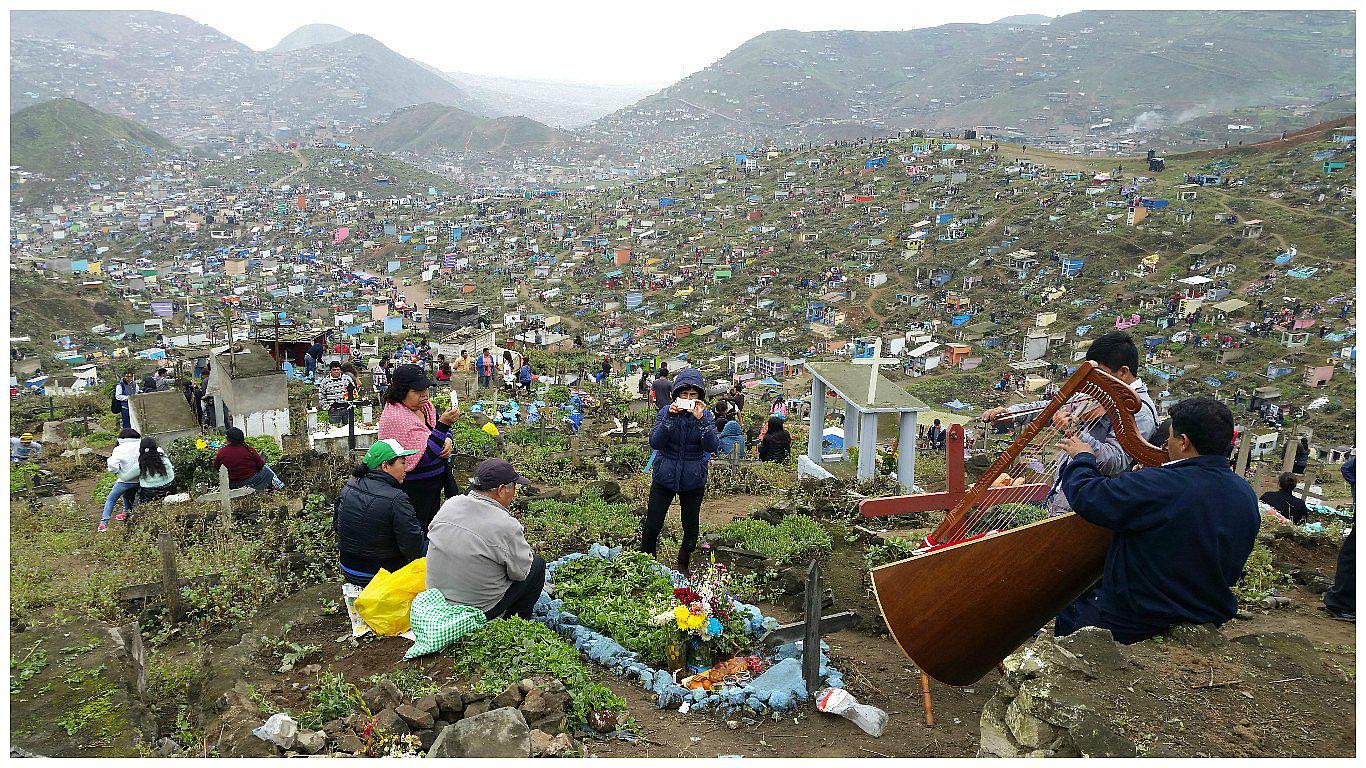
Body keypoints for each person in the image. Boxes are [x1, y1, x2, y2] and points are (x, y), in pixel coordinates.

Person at [1053, 397, 1259, 643]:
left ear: (1184, 442)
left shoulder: (1159, 485)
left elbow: (1088, 496)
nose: (1165, 444)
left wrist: (1083, 458)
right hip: (1205, 609)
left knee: (1070, 604)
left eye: (1170, 437)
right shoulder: (1244, 493)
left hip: (1138, 616)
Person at [979, 331, 1157, 516]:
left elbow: (1115, 461)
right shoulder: (1100, 394)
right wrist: (1012, 413)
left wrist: (1075, 432)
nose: (1093, 381)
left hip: (1086, 511)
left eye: (1100, 374)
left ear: (1123, 372)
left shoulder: (1139, 411)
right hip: (1062, 499)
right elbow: (1053, 407)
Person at [427, 458, 544, 620]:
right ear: (501, 490)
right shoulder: (506, 525)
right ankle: (516, 623)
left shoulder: (450, 504)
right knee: (536, 565)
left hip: (437, 599)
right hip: (475, 610)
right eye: (514, 487)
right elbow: (520, 573)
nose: (514, 493)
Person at [641, 368, 719, 573]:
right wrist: (669, 418)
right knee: (652, 524)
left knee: (691, 527)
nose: (688, 399)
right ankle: (647, 565)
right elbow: (655, 442)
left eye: (693, 395)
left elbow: (712, 446)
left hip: (693, 478)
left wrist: (702, 422)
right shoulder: (665, 412)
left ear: (700, 397)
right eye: (684, 394)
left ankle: (683, 564)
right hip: (664, 475)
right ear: (676, 395)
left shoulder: (706, 416)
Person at [377, 364, 462, 531]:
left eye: (425, 389)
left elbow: (439, 431)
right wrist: (443, 425)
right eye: (417, 391)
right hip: (414, 488)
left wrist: (448, 440)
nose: (424, 395)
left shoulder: (426, 408)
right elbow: (423, 456)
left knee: (432, 526)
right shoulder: (396, 417)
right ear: (402, 392)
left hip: (434, 484)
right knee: (416, 529)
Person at [334, 439, 427, 588]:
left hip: (347, 567)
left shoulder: (348, 487)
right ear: (385, 466)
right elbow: (413, 548)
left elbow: (337, 527)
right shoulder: (397, 499)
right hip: (378, 575)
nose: (407, 468)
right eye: (402, 463)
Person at [213, 427, 286, 492]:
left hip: (232, 484)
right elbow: (261, 465)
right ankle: (280, 487)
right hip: (251, 482)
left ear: (229, 440)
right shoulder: (249, 449)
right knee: (266, 470)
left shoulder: (222, 451)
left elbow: (216, 466)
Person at [99, 428, 141, 532]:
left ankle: (103, 523)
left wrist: (116, 471)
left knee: (111, 499)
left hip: (125, 481)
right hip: (140, 480)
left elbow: (112, 465)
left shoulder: (119, 449)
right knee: (127, 495)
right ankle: (125, 513)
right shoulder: (141, 445)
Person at [134, 437, 177, 503]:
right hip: (170, 488)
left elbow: (125, 478)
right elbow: (171, 467)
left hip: (150, 494)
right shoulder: (164, 458)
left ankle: (128, 508)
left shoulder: (140, 465)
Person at [317, 362, 353, 426]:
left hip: (347, 409)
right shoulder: (325, 382)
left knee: (349, 428)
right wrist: (328, 407)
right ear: (330, 371)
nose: (336, 371)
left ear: (340, 370)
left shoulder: (347, 379)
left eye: (338, 369)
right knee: (334, 429)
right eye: (334, 370)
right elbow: (321, 396)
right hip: (334, 411)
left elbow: (354, 392)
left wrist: (351, 404)